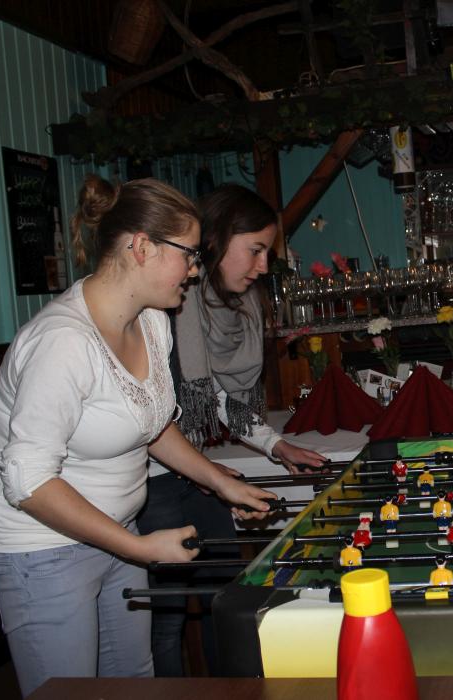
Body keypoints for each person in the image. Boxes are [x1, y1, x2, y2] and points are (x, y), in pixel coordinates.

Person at [0, 175, 278, 697]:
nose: (195, 269)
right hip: (39, 545)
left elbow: (151, 424)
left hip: (116, 531)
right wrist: (137, 546)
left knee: (133, 682)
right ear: (141, 247)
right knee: (69, 691)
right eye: (188, 254)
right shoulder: (63, 342)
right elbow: (27, 480)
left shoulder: (153, 321)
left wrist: (219, 481)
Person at [135, 183, 325, 677]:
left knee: (224, 598)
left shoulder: (227, 304)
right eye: (255, 250)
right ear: (218, 240)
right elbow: (149, 416)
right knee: (167, 618)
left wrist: (276, 445)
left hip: (194, 473)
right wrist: (208, 473)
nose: (262, 266)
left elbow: (218, 398)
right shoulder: (163, 305)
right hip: (152, 481)